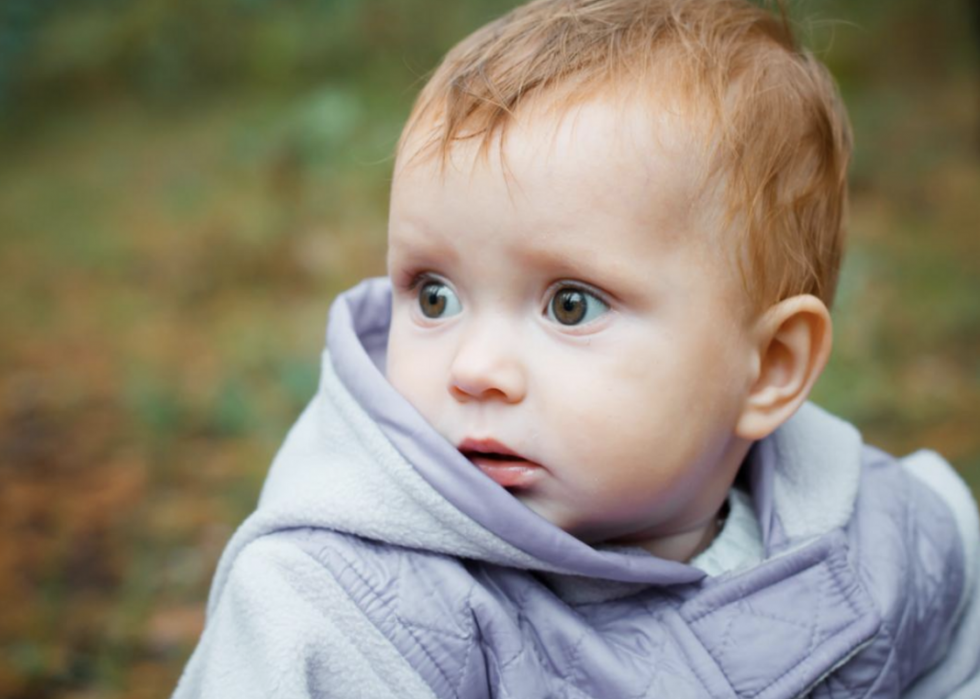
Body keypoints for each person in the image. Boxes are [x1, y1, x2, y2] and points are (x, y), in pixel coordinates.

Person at [172, 0, 980, 696]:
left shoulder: (892, 547)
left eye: (569, 304)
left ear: (768, 369)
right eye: (434, 295)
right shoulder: (341, 611)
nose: (474, 367)